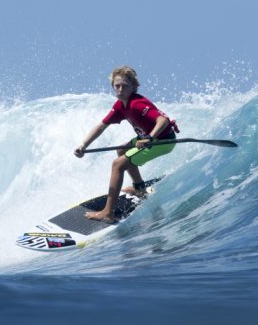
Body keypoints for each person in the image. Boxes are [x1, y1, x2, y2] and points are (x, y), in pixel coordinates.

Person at [74, 66, 179, 223]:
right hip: (148, 138)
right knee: (121, 150)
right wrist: (84, 145)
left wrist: (150, 138)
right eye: (117, 86)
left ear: (134, 87)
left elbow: (162, 120)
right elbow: (101, 126)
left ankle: (108, 213)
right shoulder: (119, 106)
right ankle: (140, 189)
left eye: (125, 86)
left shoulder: (137, 103)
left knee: (118, 165)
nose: (120, 89)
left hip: (162, 140)